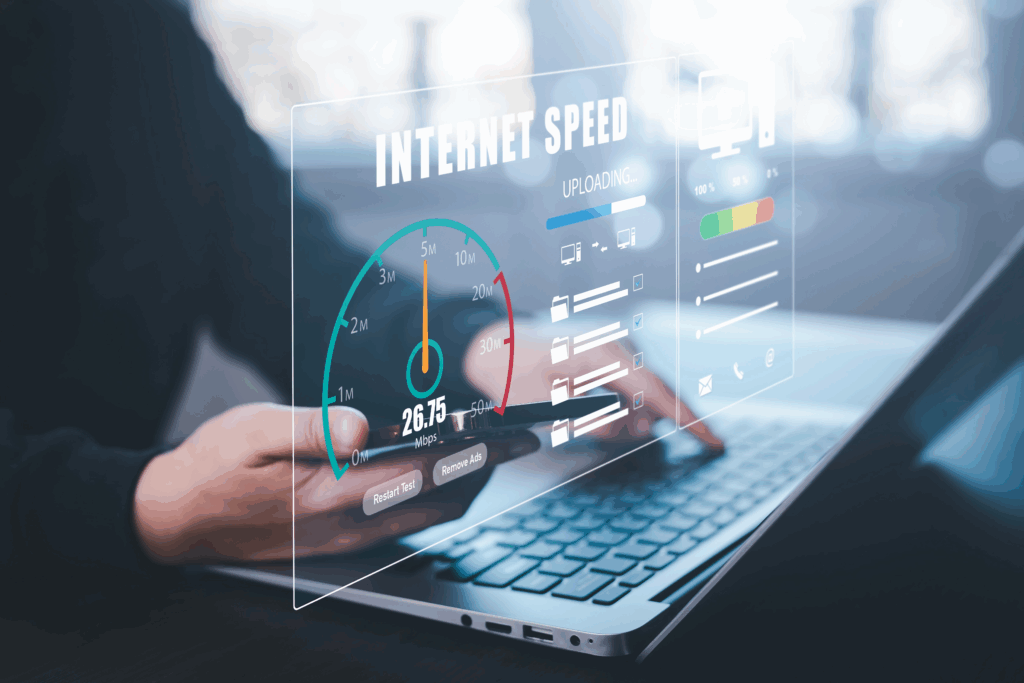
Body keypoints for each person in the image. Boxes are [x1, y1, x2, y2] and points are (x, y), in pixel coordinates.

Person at [0, 0, 720, 617]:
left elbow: (289, 273)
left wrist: (484, 348)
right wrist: (150, 506)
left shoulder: (137, 30)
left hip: (115, 600)